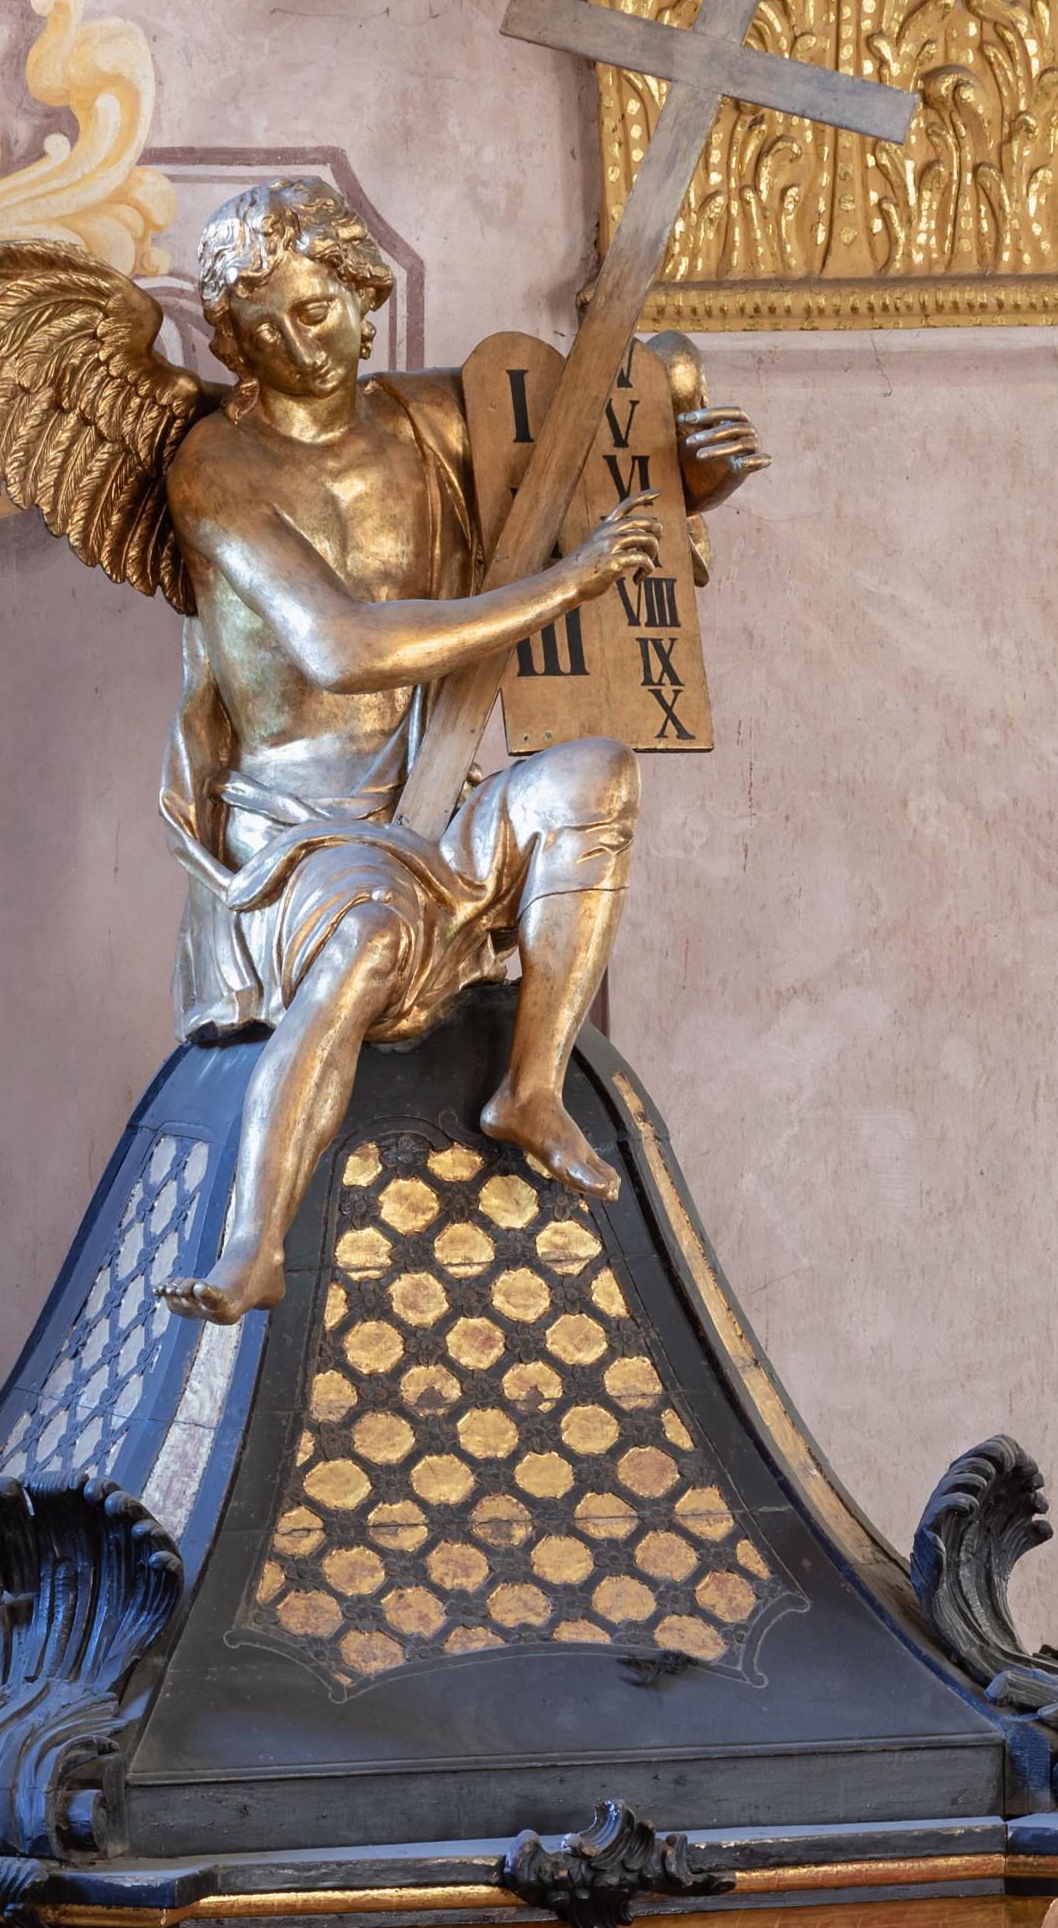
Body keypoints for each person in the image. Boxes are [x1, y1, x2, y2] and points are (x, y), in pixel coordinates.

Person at [156, 178, 761, 1323]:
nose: (299, 345)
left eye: (317, 309)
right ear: (231, 338)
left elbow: (595, 469)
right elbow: (342, 647)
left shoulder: (433, 421)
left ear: (363, 296)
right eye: (265, 327)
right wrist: (566, 583)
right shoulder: (217, 469)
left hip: (432, 809)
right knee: (368, 940)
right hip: (296, 836)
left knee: (591, 777)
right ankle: (255, 1244)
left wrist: (691, 479)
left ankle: (532, 1087)